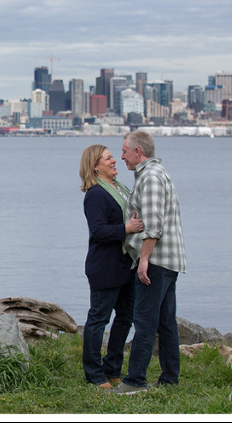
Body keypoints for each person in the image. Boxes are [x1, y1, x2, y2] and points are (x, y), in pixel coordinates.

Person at [109, 130, 187, 395]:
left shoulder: (151, 178)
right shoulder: (155, 174)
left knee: (144, 321)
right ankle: (169, 378)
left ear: (137, 152)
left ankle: (135, 381)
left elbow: (153, 226)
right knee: (165, 322)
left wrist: (143, 260)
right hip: (167, 261)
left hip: (156, 261)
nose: (121, 157)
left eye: (124, 151)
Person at [79, 144, 144, 389]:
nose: (114, 160)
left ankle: (113, 368)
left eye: (113, 157)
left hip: (125, 263)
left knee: (126, 317)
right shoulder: (95, 194)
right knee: (98, 319)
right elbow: (98, 230)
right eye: (108, 158)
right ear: (95, 166)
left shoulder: (120, 189)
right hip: (105, 266)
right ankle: (94, 375)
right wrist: (127, 228)